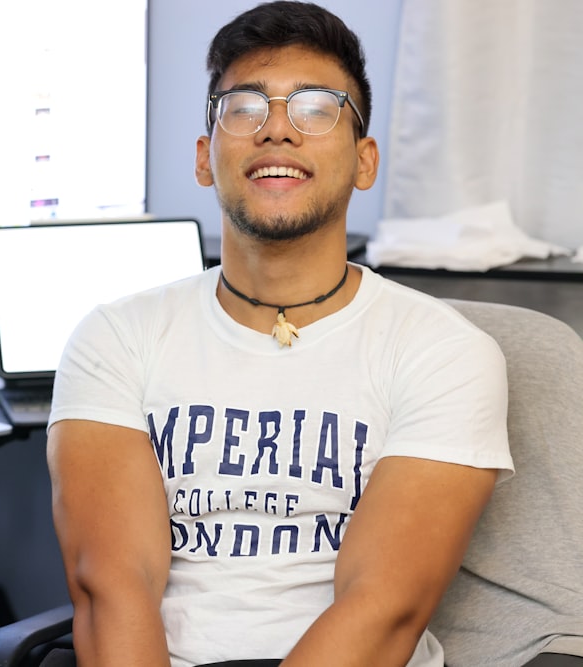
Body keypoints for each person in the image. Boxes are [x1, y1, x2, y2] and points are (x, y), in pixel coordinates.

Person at [45, 2, 515, 666]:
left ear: (364, 159)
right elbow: (112, 589)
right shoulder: (115, 337)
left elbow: (384, 608)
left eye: (316, 108)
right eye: (244, 107)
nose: (276, 131)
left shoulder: (445, 353)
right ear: (207, 157)